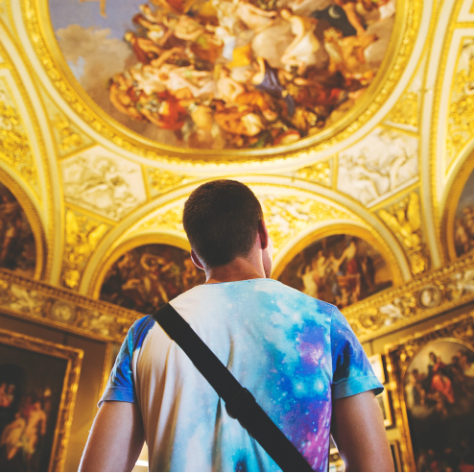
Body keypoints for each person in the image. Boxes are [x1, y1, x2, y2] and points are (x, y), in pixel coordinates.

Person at [79, 180, 391, 472]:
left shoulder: (146, 334)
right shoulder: (323, 322)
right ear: (263, 233)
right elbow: (374, 467)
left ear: (196, 258)